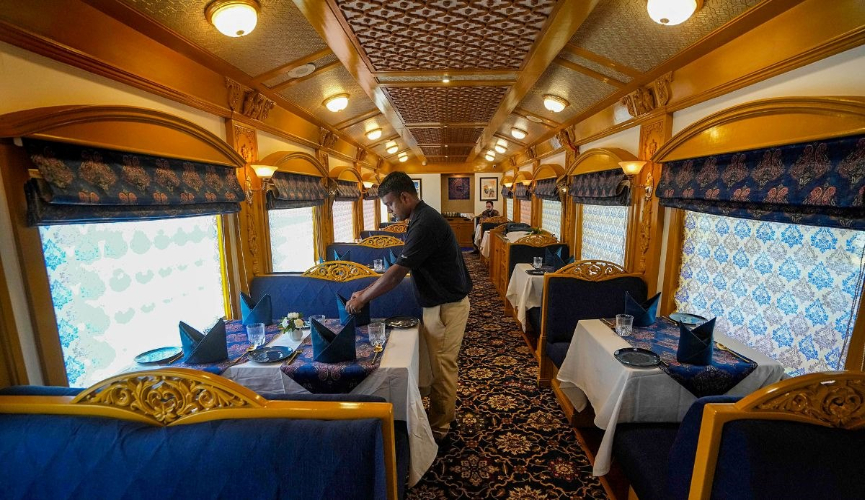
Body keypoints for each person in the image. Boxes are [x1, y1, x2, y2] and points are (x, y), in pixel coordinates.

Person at [345, 171, 472, 443]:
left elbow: (396, 272)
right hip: (437, 304)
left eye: (391, 204)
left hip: (447, 307)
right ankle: (443, 415)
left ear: (405, 197)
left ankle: (441, 432)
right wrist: (365, 290)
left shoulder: (425, 223)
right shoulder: (418, 218)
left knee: (442, 369)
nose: (390, 211)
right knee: (436, 367)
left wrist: (364, 298)